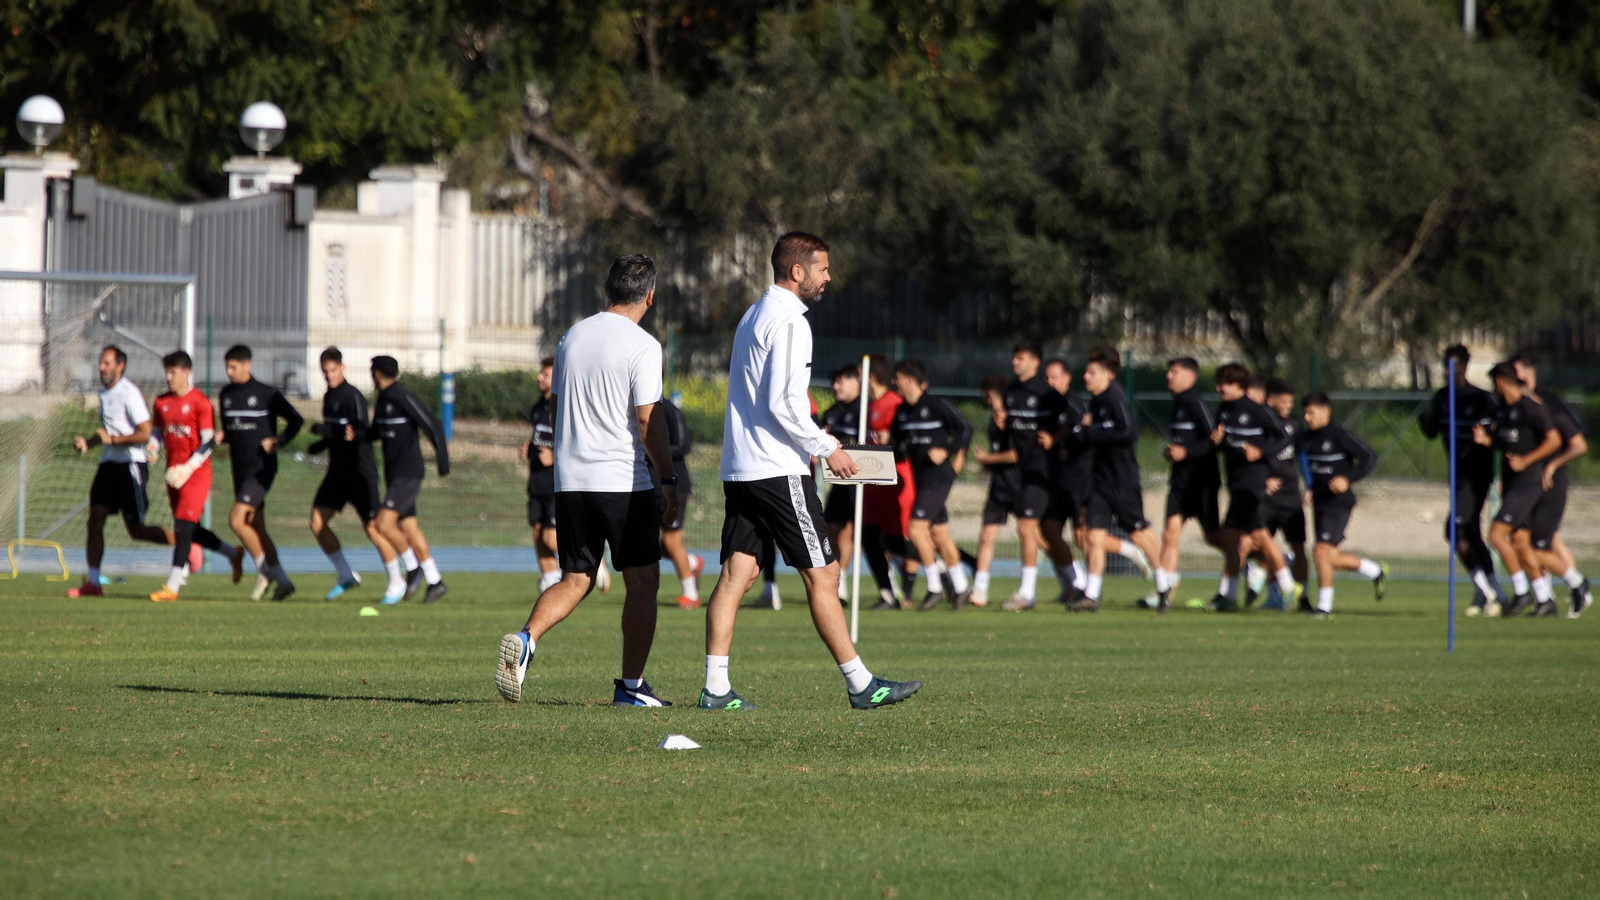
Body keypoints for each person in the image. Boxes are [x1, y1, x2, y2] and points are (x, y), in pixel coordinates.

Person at [700, 231, 920, 710]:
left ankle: (715, 687)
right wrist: (827, 447)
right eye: (822, 268)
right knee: (824, 575)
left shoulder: (753, 314)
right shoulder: (791, 321)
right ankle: (861, 685)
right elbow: (783, 402)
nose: (828, 277)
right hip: (778, 469)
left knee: (737, 573)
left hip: (741, 467)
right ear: (797, 272)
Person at [495, 254, 679, 706]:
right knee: (643, 583)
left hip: (570, 480)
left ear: (608, 290)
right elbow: (646, 419)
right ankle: (632, 688)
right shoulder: (643, 345)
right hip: (622, 481)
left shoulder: (571, 336)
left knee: (576, 577)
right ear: (650, 296)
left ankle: (526, 640)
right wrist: (668, 476)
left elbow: (555, 408)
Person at [67, 346, 177, 597]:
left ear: (120, 366)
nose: (101, 367)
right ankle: (94, 584)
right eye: (100, 362)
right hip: (108, 466)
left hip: (131, 466)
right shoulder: (104, 394)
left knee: (136, 530)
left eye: (107, 363)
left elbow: (144, 432)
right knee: (95, 521)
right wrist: (89, 443)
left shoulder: (130, 393)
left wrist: (113, 441)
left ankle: (184, 545)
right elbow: (108, 432)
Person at [147, 351, 245, 602]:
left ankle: (173, 586)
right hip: (173, 475)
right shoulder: (161, 402)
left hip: (196, 474)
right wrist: (152, 447)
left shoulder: (200, 403)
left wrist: (188, 468)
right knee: (192, 530)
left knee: (182, 525)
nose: (169, 377)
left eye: (173, 372)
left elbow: (208, 442)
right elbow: (158, 432)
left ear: (187, 372)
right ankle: (233, 554)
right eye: (167, 372)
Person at [1071, 348, 1164, 612]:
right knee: (1094, 537)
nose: (1086, 377)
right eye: (1086, 372)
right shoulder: (1097, 401)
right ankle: (1092, 593)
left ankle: (1163, 582)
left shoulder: (1115, 398)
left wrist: (1092, 431)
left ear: (1109, 375)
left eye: (1092, 373)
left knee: (1139, 534)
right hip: (1100, 482)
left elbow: (1128, 432)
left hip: (1122, 481)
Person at [307, 347, 398, 601]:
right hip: (337, 472)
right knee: (316, 522)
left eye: (333, 370)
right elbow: (337, 433)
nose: (329, 375)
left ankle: (396, 581)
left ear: (342, 368)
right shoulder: (328, 397)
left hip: (359, 472)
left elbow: (358, 432)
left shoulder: (353, 396)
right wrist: (322, 444)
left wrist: (328, 433)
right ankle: (346, 574)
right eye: (325, 371)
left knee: (373, 528)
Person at [1210, 363, 1301, 612]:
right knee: (1245, 538)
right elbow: (1224, 443)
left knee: (1244, 536)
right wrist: (1217, 442)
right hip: (1235, 480)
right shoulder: (1224, 409)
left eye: (1223, 384)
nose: (1219, 388)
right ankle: (1233, 594)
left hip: (1252, 480)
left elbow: (1282, 437)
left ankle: (1283, 586)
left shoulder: (1255, 410)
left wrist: (1260, 450)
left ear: (1238, 385)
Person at [1475, 362, 1563, 618]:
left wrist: (1527, 461)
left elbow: (1554, 440)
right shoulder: (1504, 411)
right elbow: (1505, 444)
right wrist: (1487, 441)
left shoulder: (1531, 408)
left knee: (1496, 535)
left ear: (1501, 381)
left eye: (1495, 383)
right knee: (1521, 543)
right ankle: (1545, 600)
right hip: (1512, 484)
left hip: (1529, 483)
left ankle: (1522, 592)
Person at [1419, 345, 1503, 614]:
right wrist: (1428, 414)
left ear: (1464, 366)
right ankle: (1490, 592)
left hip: (1476, 476)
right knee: (1470, 533)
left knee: (1454, 530)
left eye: (1452, 366)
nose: (1447, 371)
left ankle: (1490, 592)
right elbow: (1430, 430)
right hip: (1457, 477)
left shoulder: (1481, 398)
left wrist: (1485, 440)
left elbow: (1498, 437)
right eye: (1444, 366)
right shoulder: (1443, 397)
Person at [218, 344, 303, 602]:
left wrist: (279, 440)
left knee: (236, 520)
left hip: (261, 468)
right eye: (227, 367)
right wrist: (223, 437)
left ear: (248, 366)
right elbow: (232, 432)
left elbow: (296, 420)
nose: (230, 372)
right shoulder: (226, 395)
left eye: (234, 367)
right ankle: (284, 582)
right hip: (240, 469)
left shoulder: (267, 394)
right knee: (257, 527)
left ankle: (264, 571)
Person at [889, 359, 975, 611]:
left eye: (898, 378)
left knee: (915, 530)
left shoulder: (936, 405)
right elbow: (897, 446)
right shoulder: (902, 412)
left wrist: (947, 451)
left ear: (909, 380)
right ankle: (960, 587)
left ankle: (935, 588)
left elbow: (965, 429)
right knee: (939, 534)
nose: (895, 382)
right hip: (920, 479)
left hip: (939, 478)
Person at [1509, 355, 1590, 618]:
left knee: (1537, 548)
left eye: (1518, 376)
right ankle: (1547, 598)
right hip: (1529, 485)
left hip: (1550, 485)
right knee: (1528, 540)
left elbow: (1578, 445)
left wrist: (1552, 465)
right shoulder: (1519, 408)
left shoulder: (1548, 405)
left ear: (1529, 374)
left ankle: (1577, 583)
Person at [366, 355, 451, 604]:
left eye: (372, 371)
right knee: (410, 529)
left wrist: (443, 460)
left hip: (408, 473)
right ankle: (435, 582)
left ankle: (413, 568)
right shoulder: (382, 400)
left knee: (382, 524)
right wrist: (356, 433)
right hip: (394, 476)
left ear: (378, 373)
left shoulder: (401, 396)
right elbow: (375, 432)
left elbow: (432, 423)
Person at [1300, 393, 1388, 616]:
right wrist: (1310, 487)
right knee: (1328, 557)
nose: (1306, 417)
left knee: (1320, 551)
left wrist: (1347, 478)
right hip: (1320, 502)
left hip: (1339, 503)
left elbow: (1369, 457)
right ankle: (1374, 570)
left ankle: (1324, 607)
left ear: (1326, 412)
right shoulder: (1307, 438)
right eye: (1305, 413)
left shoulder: (1339, 436)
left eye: (1311, 412)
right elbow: (1308, 466)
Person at [1157, 357, 1223, 609]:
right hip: (1180, 481)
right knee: (1169, 534)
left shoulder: (1195, 402)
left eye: (1174, 372)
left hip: (1202, 481)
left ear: (1189, 377)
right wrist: (1172, 451)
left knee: (1214, 537)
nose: (1168, 376)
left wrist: (1187, 453)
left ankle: (1254, 562)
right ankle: (1165, 588)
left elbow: (1214, 440)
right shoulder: (1178, 403)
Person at [996, 345, 1059, 609]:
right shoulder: (1010, 392)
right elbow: (1011, 429)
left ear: (1035, 363)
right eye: (1013, 356)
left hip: (1043, 471)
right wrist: (1003, 423)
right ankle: (1075, 582)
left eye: (1020, 358)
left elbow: (1075, 418)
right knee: (1047, 534)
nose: (1014, 361)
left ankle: (1027, 593)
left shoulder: (1047, 394)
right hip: (1022, 472)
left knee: (1026, 527)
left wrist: (1056, 438)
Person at [861, 354, 911, 609]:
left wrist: (890, 436)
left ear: (871, 376)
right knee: (868, 539)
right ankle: (887, 593)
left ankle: (940, 571)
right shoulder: (866, 406)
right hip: (871, 486)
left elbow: (904, 439)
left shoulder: (895, 403)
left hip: (894, 483)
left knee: (897, 542)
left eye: (861, 374)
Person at [1255, 378, 1309, 609]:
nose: (1288, 405)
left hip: (1290, 496)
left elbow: (1302, 456)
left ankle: (1303, 596)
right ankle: (1275, 594)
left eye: (1291, 402)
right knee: (1260, 545)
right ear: (1271, 401)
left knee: (1298, 547)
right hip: (1267, 498)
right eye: (1284, 401)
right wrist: (1263, 478)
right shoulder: (1260, 424)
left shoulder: (1295, 424)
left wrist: (1311, 484)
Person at [818, 365, 865, 599]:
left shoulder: (866, 409)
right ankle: (840, 581)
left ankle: (893, 581)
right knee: (833, 529)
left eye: (841, 381)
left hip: (864, 483)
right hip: (840, 482)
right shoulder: (832, 413)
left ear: (857, 382)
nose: (835, 387)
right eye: (834, 382)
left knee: (865, 534)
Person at [971, 374, 1017, 607]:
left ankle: (1073, 578)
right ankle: (980, 591)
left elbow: (1017, 454)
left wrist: (988, 458)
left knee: (1039, 537)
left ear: (990, 393)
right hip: (999, 485)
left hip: (1019, 484)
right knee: (986, 535)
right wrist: (987, 465)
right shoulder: (993, 419)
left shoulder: (1014, 416)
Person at [657, 393, 704, 609]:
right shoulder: (637, 408)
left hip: (674, 484)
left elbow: (683, 445)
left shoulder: (669, 409)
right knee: (647, 543)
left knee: (671, 540)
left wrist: (653, 451)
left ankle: (690, 594)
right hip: (647, 484)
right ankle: (692, 562)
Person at [520, 357, 562, 594]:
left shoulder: (564, 407)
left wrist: (555, 457)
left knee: (549, 537)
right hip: (536, 479)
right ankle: (550, 580)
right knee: (537, 533)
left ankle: (591, 558)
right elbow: (540, 438)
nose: (539, 377)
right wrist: (529, 449)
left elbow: (577, 443)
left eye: (545, 374)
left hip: (556, 483)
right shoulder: (538, 408)